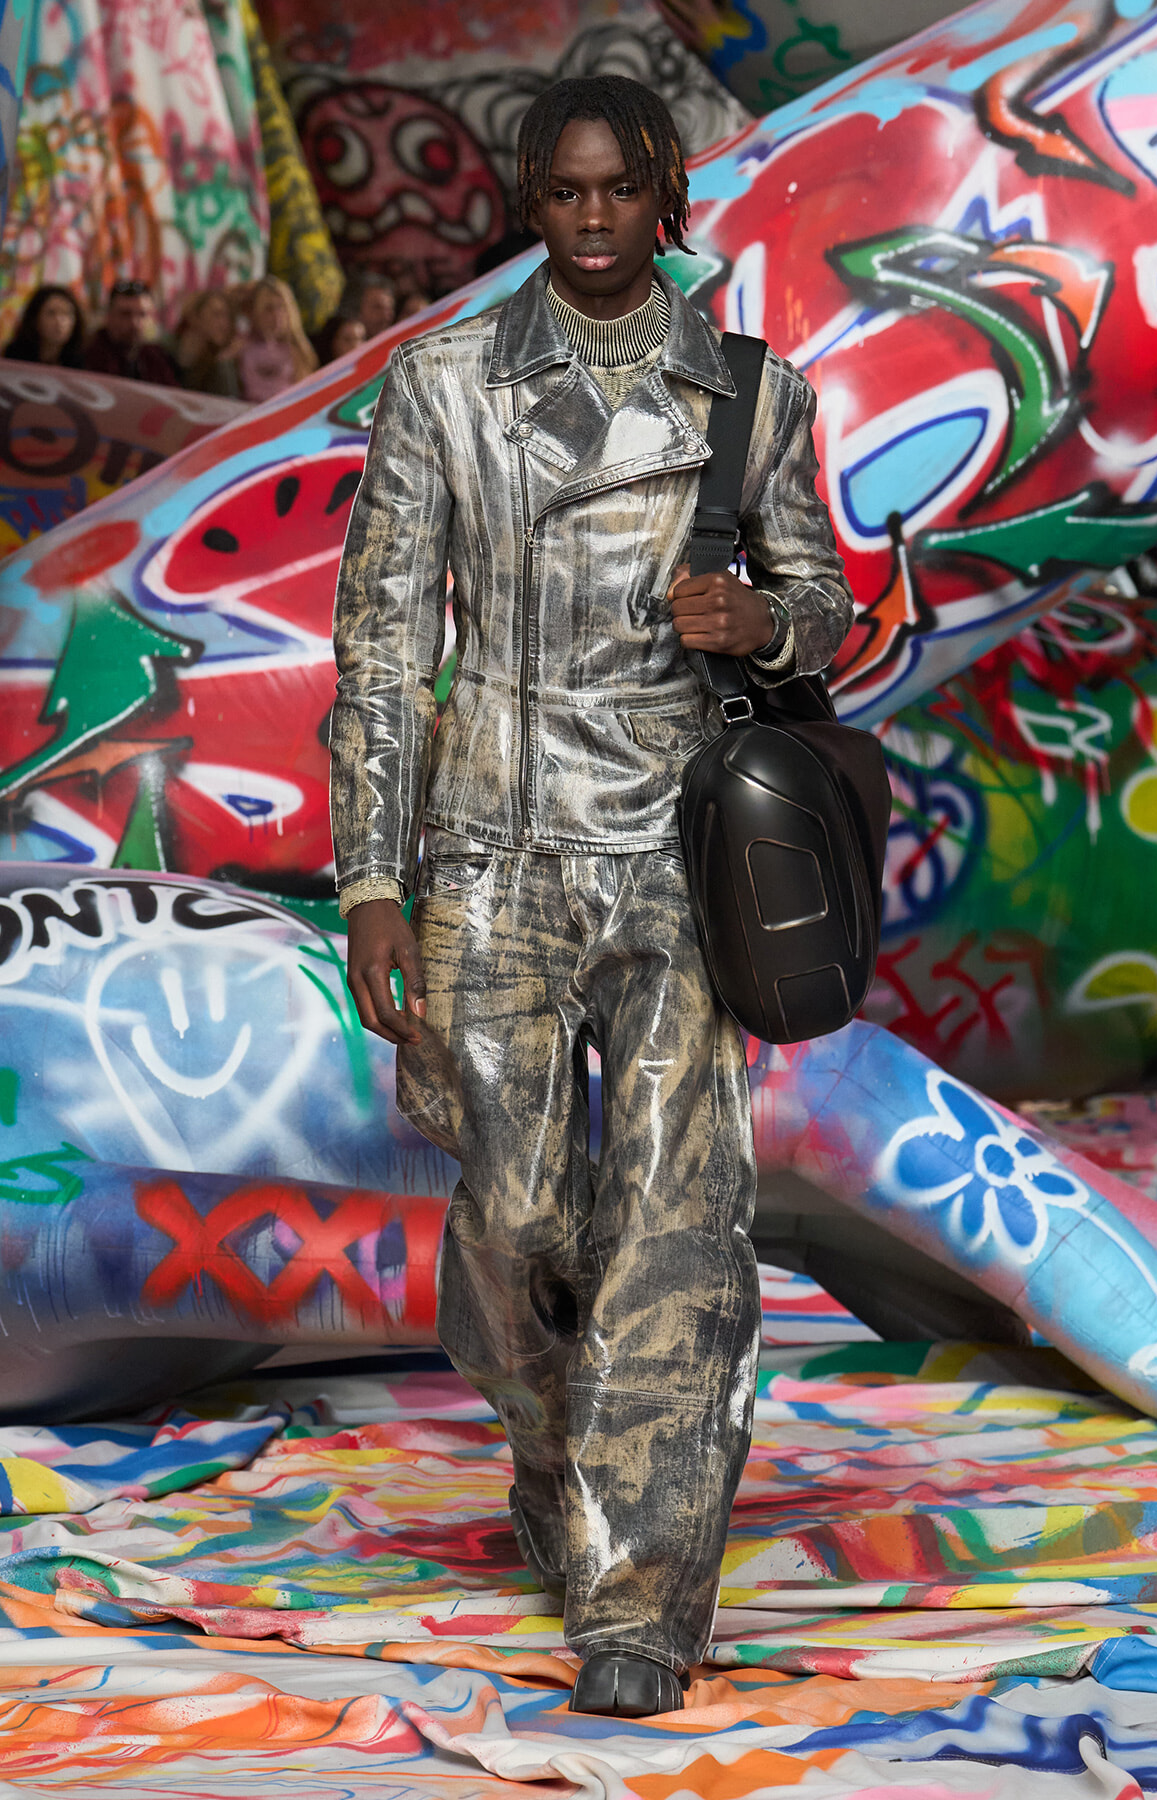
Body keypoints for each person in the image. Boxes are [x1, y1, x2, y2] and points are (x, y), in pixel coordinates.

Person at [331, 75, 852, 1717]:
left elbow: (830, 596)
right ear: (532, 203)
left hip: (679, 868)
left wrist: (757, 626)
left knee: (670, 1239)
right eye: (565, 192)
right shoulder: (445, 388)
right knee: (511, 1224)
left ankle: (640, 1603)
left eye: (623, 190)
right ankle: (552, 1450)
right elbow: (381, 640)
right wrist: (367, 880)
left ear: (668, 195)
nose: (595, 218)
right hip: (488, 859)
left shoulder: (752, 397)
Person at [236, 275, 318, 404]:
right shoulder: (241, 346)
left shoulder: (298, 349)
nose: (276, 315)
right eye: (268, 309)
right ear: (255, 311)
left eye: (281, 307)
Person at [83, 280, 180, 386]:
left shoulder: (158, 357)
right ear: (109, 315)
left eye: (142, 315)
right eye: (125, 314)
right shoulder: (86, 352)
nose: (135, 323)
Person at [169, 290, 240, 397]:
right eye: (217, 315)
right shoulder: (166, 352)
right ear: (195, 317)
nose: (224, 324)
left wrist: (223, 362)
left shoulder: (220, 360)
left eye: (227, 317)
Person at [2, 285, 87, 367]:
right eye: (51, 313)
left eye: (67, 314)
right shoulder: (15, 356)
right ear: (35, 319)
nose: (60, 321)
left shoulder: (78, 362)